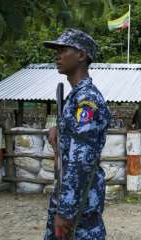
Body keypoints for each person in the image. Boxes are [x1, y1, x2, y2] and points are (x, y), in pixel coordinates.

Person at [43, 28, 111, 239]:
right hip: (68, 197)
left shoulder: (86, 100)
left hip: (79, 205)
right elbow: (70, 152)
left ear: (81, 55)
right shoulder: (74, 98)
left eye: (64, 49)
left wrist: (66, 210)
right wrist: (58, 136)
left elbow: (81, 161)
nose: (58, 55)